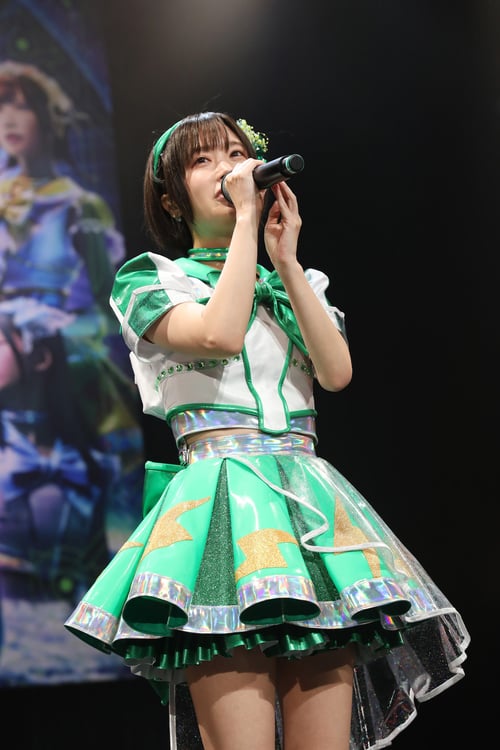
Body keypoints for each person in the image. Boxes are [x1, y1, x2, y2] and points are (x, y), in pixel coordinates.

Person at [65, 111, 470, 750]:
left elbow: (336, 373)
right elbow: (219, 334)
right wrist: (248, 225)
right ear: (171, 200)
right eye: (204, 160)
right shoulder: (152, 278)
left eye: (236, 153)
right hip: (217, 505)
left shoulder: (298, 281)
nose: (229, 168)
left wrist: (284, 260)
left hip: (310, 506)